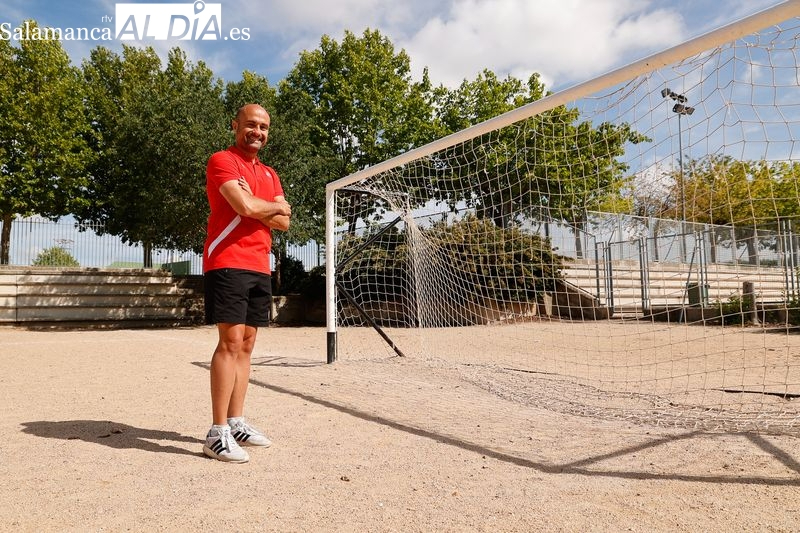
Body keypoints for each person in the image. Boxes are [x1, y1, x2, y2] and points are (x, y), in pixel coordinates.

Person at [201, 103, 291, 463]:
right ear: (236, 125)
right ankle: (217, 432)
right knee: (230, 342)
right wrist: (268, 206)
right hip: (227, 260)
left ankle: (236, 422)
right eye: (251, 124)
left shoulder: (270, 173)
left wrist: (258, 203)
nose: (258, 132)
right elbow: (245, 208)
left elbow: (284, 222)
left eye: (264, 127)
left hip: (259, 263)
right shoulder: (221, 160)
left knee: (248, 344)